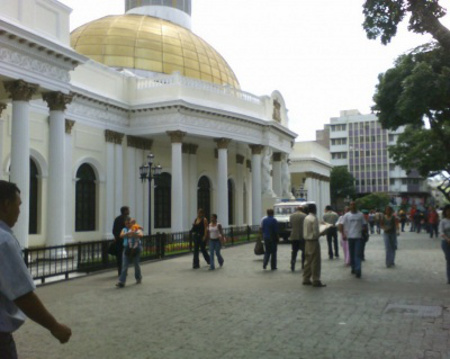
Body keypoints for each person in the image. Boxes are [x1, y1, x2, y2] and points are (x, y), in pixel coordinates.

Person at [0, 180, 72, 358]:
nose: (20, 211)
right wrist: (54, 327)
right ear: (6, 205)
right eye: (19, 205)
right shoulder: (4, 241)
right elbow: (22, 295)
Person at [339, 201, 367, 279]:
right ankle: (353, 267)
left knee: (357, 254)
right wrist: (343, 234)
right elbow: (341, 224)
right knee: (351, 253)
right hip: (350, 237)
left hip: (358, 237)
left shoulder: (360, 215)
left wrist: (364, 231)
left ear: (356, 206)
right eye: (351, 205)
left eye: (354, 205)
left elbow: (364, 224)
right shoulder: (346, 215)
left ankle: (358, 270)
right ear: (350, 206)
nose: (353, 206)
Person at [303, 203, 326, 287]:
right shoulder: (314, 219)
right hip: (313, 241)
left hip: (307, 241)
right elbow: (316, 233)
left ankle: (306, 278)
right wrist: (323, 231)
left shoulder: (306, 218)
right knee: (315, 261)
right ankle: (316, 279)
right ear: (315, 209)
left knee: (308, 260)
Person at [116, 217, 143, 288]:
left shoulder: (136, 228)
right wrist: (127, 234)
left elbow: (141, 234)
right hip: (127, 248)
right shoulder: (124, 229)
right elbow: (121, 235)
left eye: (129, 223)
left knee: (136, 264)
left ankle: (138, 278)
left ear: (132, 223)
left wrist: (134, 234)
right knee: (124, 265)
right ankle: (121, 282)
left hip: (136, 248)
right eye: (126, 223)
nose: (127, 224)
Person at [112, 206, 130, 276]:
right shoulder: (127, 219)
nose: (129, 211)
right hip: (125, 240)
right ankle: (124, 271)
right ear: (125, 211)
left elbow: (114, 230)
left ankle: (120, 271)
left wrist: (116, 237)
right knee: (125, 256)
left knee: (119, 256)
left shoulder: (117, 219)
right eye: (128, 210)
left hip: (118, 240)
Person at [289, 206, 307, 271]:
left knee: (294, 251)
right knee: (304, 251)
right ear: (302, 210)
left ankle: (293, 263)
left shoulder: (292, 216)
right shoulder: (305, 216)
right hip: (302, 235)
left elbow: (290, 225)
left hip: (294, 235)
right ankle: (303, 264)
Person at [439, 205, 450, 284]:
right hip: (445, 242)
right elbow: (441, 232)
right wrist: (447, 239)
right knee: (449, 259)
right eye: (447, 210)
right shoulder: (443, 221)